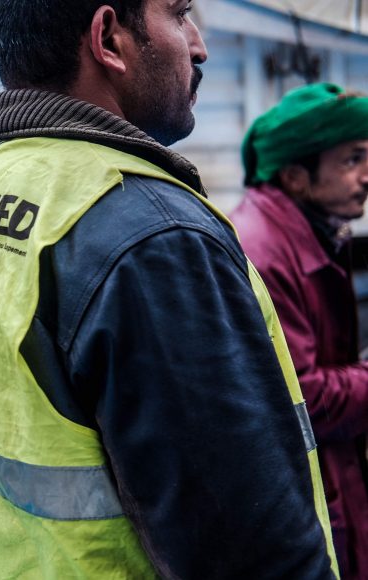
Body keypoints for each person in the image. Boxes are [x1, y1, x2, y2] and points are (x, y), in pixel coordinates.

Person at [0, 0, 339, 577]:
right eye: (180, 13)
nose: (198, 44)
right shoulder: (152, 234)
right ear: (109, 38)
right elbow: (248, 549)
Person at [231, 83, 368, 579]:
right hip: (307, 494)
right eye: (352, 159)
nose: (367, 176)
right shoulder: (266, 250)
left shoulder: (305, 226)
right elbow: (303, 398)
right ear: (295, 175)